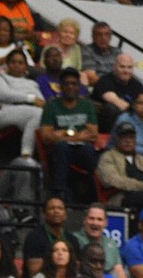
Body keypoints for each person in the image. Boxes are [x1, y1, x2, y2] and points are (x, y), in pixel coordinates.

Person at [38, 67, 99, 202]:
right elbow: (46, 136)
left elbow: (93, 135)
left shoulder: (87, 105)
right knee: (62, 147)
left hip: (82, 149)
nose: (70, 87)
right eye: (67, 84)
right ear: (61, 86)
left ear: (79, 86)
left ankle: (93, 194)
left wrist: (63, 134)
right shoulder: (51, 106)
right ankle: (59, 194)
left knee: (89, 150)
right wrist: (78, 135)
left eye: (74, 83)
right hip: (59, 151)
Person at [96, 123, 143, 212]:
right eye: (124, 137)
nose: (128, 141)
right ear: (117, 139)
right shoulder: (108, 157)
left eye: (131, 137)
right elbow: (112, 180)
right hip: (123, 197)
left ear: (135, 140)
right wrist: (142, 186)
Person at [73, 204, 129, 278]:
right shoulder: (74, 239)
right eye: (91, 218)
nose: (95, 223)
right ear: (85, 220)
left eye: (99, 219)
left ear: (106, 223)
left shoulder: (111, 243)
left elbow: (121, 275)